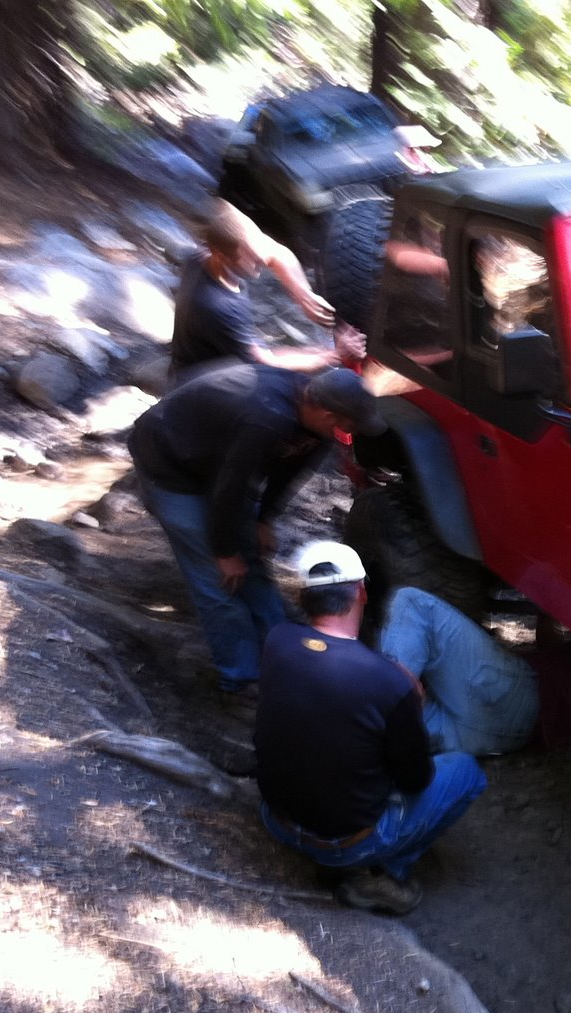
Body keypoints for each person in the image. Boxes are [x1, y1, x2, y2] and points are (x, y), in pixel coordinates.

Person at [255, 542, 487, 914]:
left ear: (301, 597)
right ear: (361, 592)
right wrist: (411, 707)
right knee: (466, 771)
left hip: (276, 819)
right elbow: (416, 780)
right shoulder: (389, 685)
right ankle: (380, 874)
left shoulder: (277, 641)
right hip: (342, 844)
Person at [127, 364, 386, 697]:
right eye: (350, 424)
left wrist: (264, 520)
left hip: (218, 464)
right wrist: (224, 552)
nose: (350, 433)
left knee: (252, 565)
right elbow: (229, 488)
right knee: (215, 580)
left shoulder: (318, 424)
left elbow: (287, 473)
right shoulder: (265, 416)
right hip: (169, 464)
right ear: (327, 414)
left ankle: (288, 657)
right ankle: (239, 680)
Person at [376, 586, 571, 758]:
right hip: (504, 736)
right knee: (382, 735)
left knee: (412, 603)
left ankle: (385, 699)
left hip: (509, 696)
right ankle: (379, 714)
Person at [170, 199, 364, 383]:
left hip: (230, 353)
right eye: (253, 259)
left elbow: (275, 253)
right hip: (204, 381)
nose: (263, 260)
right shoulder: (218, 306)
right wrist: (335, 355)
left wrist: (304, 295)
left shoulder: (210, 253)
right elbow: (266, 362)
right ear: (222, 257)